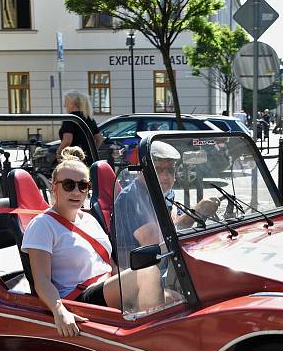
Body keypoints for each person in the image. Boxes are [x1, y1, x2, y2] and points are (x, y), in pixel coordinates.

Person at [21, 146, 161, 337]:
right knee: (148, 273)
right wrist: (60, 311)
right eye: (69, 185)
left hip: (105, 287)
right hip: (79, 297)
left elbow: (107, 262)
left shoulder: (88, 219)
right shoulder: (42, 225)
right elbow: (42, 281)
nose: (77, 192)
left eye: (83, 185)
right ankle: (151, 340)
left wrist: (128, 285)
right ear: (54, 187)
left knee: (174, 298)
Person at [114, 141, 219, 263]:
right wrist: (197, 211)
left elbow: (177, 227)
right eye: (158, 169)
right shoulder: (131, 198)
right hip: (138, 269)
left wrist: (199, 211)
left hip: (164, 264)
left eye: (170, 170)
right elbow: (157, 248)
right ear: (141, 170)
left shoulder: (166, 193)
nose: (166, 176)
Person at [58, 90, 104, 164]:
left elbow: (67, 141)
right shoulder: (90, 119)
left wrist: (59, 153)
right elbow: (100, 139)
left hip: (73, 159)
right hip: (89, 160)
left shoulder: (70, 119)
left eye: (66, 102)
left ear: (72, 103)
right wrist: (92, 151)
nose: (64, 105)